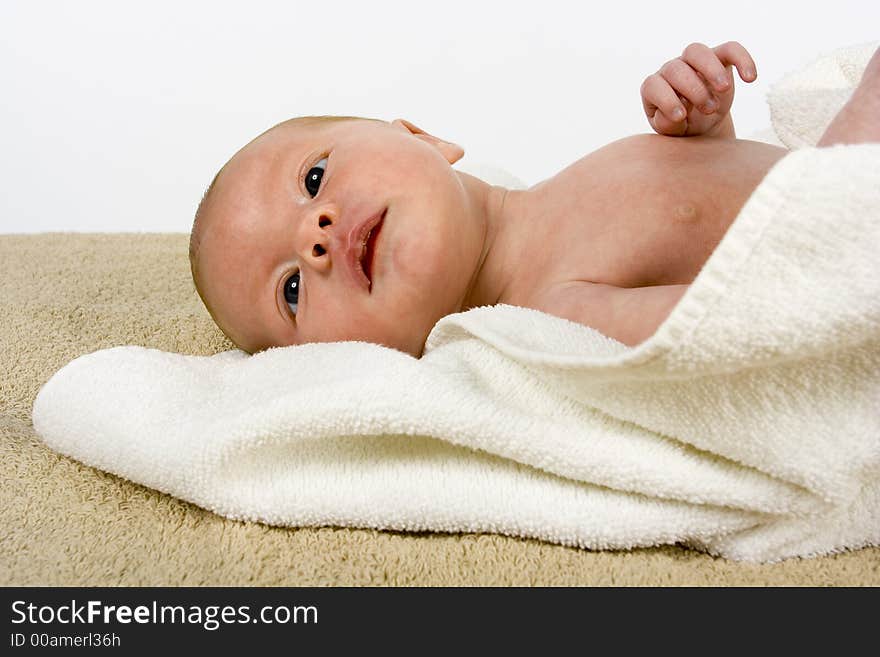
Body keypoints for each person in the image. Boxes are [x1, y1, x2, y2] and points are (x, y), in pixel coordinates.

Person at [189, 41, 879, 358]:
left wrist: (706, 132)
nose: (315, 234)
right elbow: (752, 309)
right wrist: (839, 175)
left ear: (425, 137)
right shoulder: (554, 310)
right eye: (289, 293)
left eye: (314, 180)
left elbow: (720, 218)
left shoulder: (562, 193)